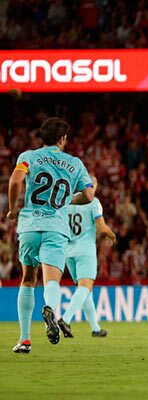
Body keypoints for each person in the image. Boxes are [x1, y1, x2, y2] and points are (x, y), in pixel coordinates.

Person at [8, 118, 94, 353]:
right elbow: (88, 195)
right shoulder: (75, 163)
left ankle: (25, 339)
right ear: (62, 139)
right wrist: (68, 200)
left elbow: (16, 179)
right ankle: (50, 308)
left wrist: (12, 208)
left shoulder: (29, 156)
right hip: (56, 227)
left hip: (29, 225)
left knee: (27, 279)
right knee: (51, 280)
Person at [58, 175, 116, 338]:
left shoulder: (67, 201)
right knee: (85, 287)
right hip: (85, 251)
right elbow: (101, 227)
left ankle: (95, 328)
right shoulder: (93, 202)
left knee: (85, 290)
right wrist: (112, 235)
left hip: (69, 251)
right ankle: (65, 319)